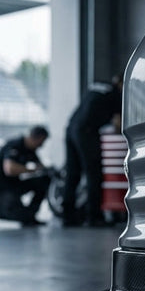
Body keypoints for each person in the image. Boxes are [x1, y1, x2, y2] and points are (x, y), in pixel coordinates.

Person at [62, 75, 122, 227]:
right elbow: (118, 124)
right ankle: (94, 217)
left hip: (71, 128)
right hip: (87, 133)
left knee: (72, 173)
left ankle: (67, 216)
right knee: (94, 173)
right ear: (122, 83)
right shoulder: (116, 94)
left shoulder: (98, 84)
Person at [0, 125, 50, 227]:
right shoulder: (15, 145)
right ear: (36, 138)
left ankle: (31, 215)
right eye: (42, 142)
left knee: (44, 181)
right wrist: (32, 170)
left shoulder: (31, 150)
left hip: (13, 185)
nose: (41, 145)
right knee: (19, 216)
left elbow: (41, 167)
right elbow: (10, 170)